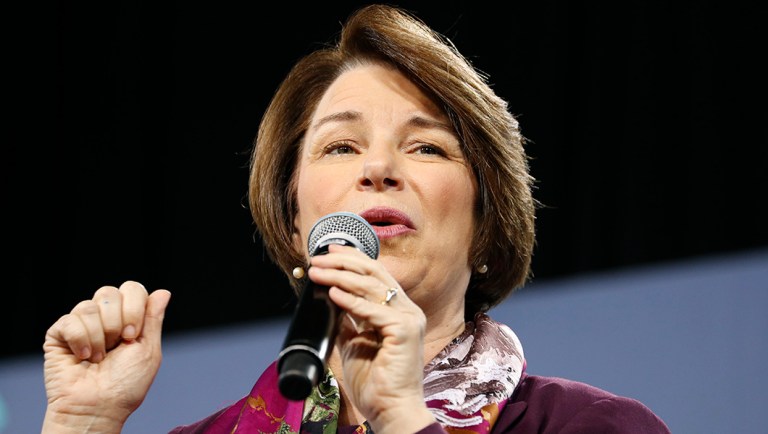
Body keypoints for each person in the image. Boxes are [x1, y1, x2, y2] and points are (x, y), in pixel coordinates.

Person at [41, 4, 671, 433]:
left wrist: (401, 414)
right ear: (294, 222)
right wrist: (81, 426)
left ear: (486, 223)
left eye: (426, 146)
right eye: (340, 147)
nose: (379, 169)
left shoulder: (592, 426)